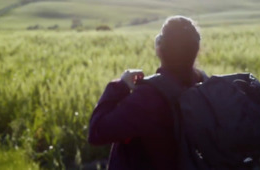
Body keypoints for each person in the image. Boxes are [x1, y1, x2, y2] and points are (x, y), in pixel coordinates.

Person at [88, 16, 205, 170]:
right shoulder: (204, 85)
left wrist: (119, 86)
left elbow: (97, 132)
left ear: (160, 46)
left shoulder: (149, 97)